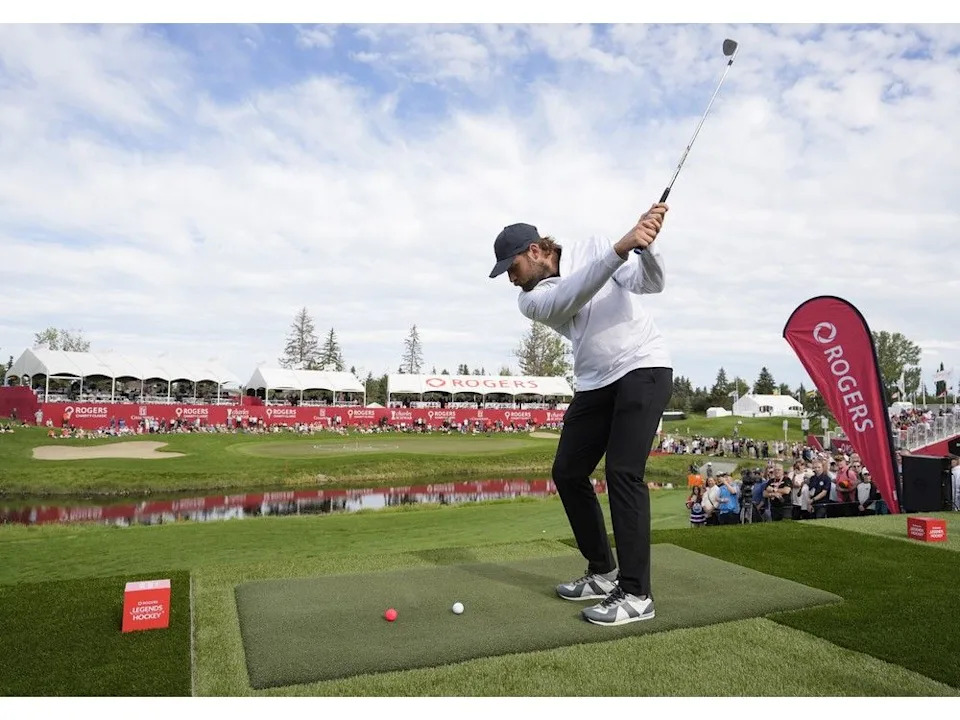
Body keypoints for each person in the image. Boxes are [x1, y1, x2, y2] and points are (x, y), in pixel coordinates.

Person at [489, 203, 671, 626]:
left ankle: (637, 593)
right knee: (569, 472)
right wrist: (622, 247)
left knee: (624, 473)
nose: (510, 278)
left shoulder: (592, 245)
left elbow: (650, 285)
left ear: (534, 251)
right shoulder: (531, 301)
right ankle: (603, 571)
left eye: (511, 266)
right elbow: (575, 292)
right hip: (594, 381)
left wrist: (647, 248)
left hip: (642, 365)